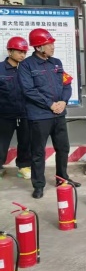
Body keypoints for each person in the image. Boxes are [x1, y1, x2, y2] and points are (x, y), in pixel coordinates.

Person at [17, 28, 81, 199]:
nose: (52, 47)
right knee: (38, 152)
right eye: (49, 44)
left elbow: (66, 84)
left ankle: (62, 178)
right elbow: (28, 90)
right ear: (38, 47)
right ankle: (38, 185)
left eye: (52, 43)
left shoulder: (56, 63)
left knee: (63, 148)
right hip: (39, 116)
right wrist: (50, 104)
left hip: (59, 114)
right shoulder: (26, 65)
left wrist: (63, 102)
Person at [0, 37, 31, 180]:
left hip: (25, 113)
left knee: (26, 141)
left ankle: (23, 167)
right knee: (2, 142)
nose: (22, 55)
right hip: (5, 114)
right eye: (19, 52)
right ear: (9, 51)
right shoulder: (1, 69)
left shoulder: (26, 69)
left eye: (24, 52)